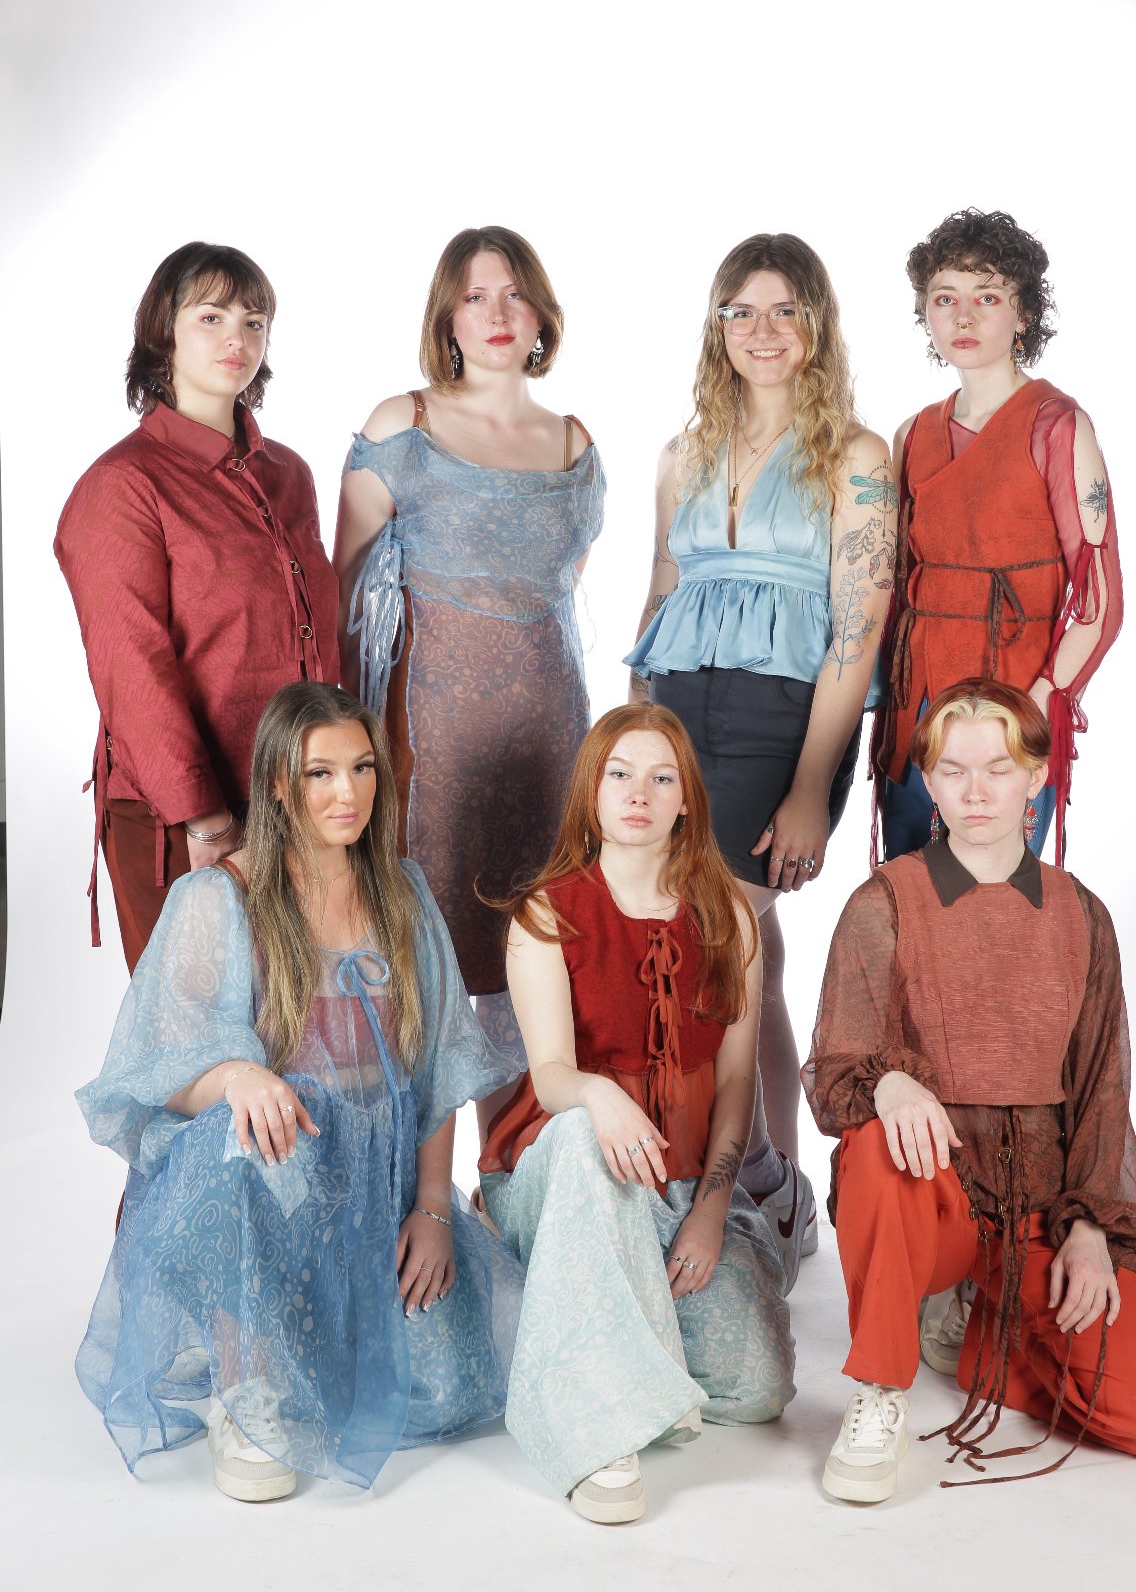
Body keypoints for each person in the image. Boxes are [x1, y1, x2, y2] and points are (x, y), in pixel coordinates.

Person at [76, 682, 525, 1499]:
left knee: (447, 1380)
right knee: (241, 1134)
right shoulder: (222, 896)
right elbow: (158, 1074)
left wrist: (430, 1206)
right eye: (320, 774)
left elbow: (436, 1073)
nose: (346, 792)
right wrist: (236, 1073)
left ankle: (326, 1330)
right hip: (275, 1178)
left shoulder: (404, 893)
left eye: (361, 767)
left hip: (376, 1183)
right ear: (279, 783)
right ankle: (243, 1384)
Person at [802, 680, 1136, 1503]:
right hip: (934, 1203)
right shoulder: (884, 903)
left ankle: (994, 1328)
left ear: (1037, 777)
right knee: (874, 1140)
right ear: (929, 784)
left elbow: (1101, 1088)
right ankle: (880, 1389)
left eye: (999, 768)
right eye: (952, 770)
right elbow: (837, 1074)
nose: (976, 791)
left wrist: (1089, 1225)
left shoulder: (1082, 914)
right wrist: (893, 1080)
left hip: (1042, 1211)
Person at [625, 234, 892, 1271]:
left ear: (817, 326)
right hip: (676, 718)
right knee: (753, 962)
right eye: (742, 310)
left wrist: (815, 788)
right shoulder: (683, 452)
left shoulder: (857, 458)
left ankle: (732, 1186)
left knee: (707, 951)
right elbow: (658, 595)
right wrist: (630, 745)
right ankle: (780, 1188)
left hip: (777, 726)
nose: (763, 331)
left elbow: (856, 633)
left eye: (786, 311)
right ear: (717, 326)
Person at [479, 704, 795, 1524]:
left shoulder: (728, 915)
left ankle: (584, 1317)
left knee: (757, 1390)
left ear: (687, 798)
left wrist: (712, 1211)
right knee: (588, 1136)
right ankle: (594, 1434)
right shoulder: (545, 914)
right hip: (565, 1161)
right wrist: (598, 1091)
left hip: (682, 1179)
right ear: (591, 792)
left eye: (662, 778)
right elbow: (550, 1076)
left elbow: (735, 1085)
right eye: (619, 775)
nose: (639, 795)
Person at [335, 225, 605, 1113]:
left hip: (553, 739)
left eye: (515, 292)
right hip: (432, 747)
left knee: (540, 954)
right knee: (429, 957)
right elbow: (344, 599)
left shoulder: (573, 443)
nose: (497, 312)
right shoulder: (399, 425)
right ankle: (419, 1204)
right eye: (475, 295)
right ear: (447, 316)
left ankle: (519, 1181)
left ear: (541, 315)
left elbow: (561, 596)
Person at [55, 241, 340, 972]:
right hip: (181, 815)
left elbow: (316, 642)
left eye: (254, 321)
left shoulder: (289, 476)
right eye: (211, 317)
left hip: (294, 803)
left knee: (294, 1042)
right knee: (197, 1055)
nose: (236, 339)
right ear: (164, 334)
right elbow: (131, 668)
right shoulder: (122, 485)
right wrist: (204, 817)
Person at [877, 208, 1122, 865]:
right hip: (918, 708)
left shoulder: (1057, 427)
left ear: (1024, 315)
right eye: (944, 299)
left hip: (1011, 702)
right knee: (908, 912)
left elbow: (1098, 604)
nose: (963, 317)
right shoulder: (913, 434)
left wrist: (1035, 709)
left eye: (987, 298)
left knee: (994, 916)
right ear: (924, 314)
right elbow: (895, 589)